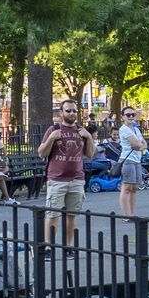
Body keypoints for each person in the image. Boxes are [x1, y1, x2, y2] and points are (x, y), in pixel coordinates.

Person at [37, 100, 93, 248]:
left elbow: (90, 154)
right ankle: (49, 246)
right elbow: (41, 153)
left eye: (74, 111)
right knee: (52, 214)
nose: (72, 113)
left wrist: (89, 137)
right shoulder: (54, 129)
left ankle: (68, 246)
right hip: (57, 179)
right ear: (61, 113)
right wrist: (51, 138)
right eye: (68, 111)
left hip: (77, 179)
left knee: (72, 216)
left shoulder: (81, 131)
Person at [116, 109, 147, 217]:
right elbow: (138, 145)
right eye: (128, 115)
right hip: (128, 161)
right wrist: (141, 146)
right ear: (122, 117)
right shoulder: (124, 129)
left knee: (134, 188)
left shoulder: (135, 129)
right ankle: (125, 214)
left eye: (133, 114)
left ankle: (133, 214)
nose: (131, 117)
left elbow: (144, 143)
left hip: (137, 161)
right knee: (127, 187)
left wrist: (141, 146)